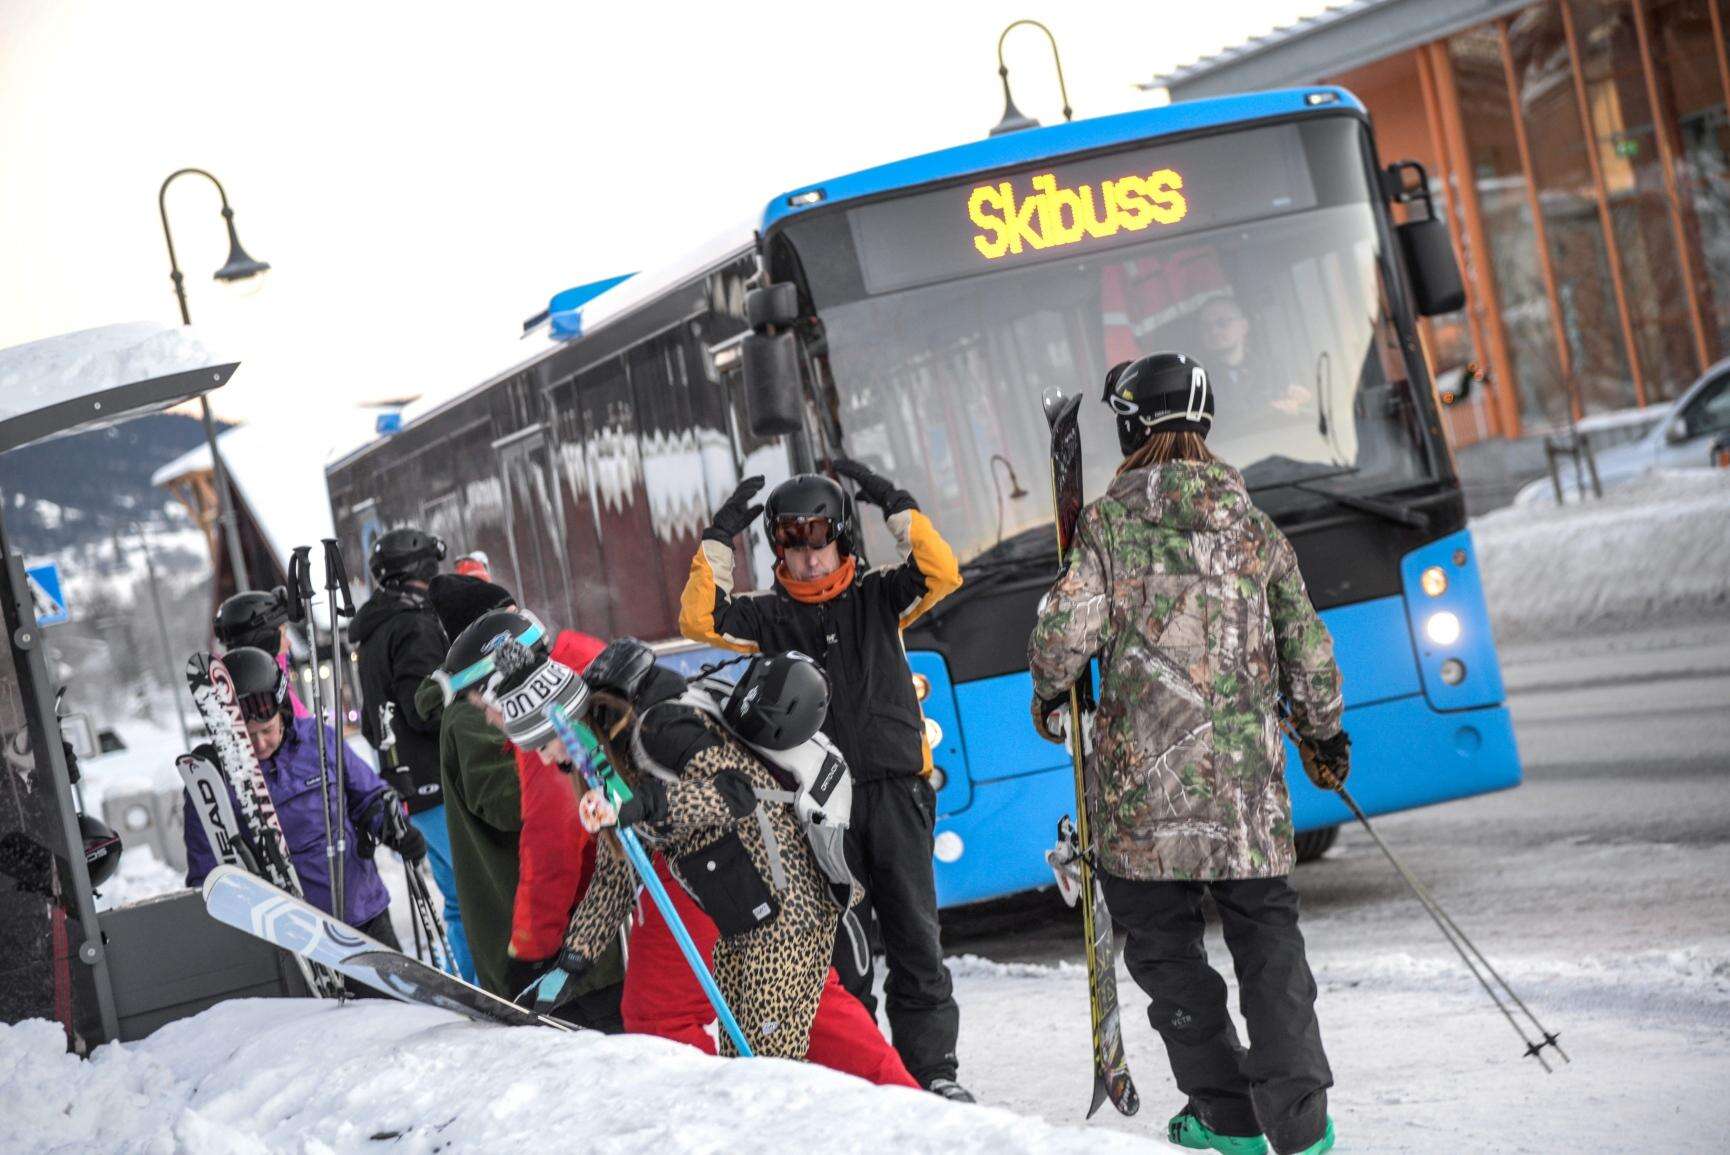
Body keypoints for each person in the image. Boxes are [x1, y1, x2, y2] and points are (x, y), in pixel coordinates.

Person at [1028, 351, 1347, 1155]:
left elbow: (1059, 643)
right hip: (1246, 799)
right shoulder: (1253, 526)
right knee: (1270, 947)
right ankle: (1303, 1129)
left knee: (1169, 954)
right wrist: (1323, 735)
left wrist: (1050, 692)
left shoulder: (1108, 526)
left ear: (1130, 427)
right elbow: (1309, 650)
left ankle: (1226, 1118)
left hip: (1142, 804)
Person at [679, 461, 969, 1100]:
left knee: (916, 943)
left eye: (821, 544)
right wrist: (719, 539)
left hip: (897, 794)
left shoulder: (880, 596)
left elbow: (941, 572)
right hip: (819, 811)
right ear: (778, 551)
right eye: (795, 548)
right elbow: (700, 619)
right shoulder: (768, 618)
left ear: (842, 542)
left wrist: (895, 502)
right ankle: (864, 1082)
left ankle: (935, 1075)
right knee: (846, 955)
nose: (810, 561)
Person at [531, 640, 860, 1065]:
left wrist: (645, 804)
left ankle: (901, 1103)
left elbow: (736, 793)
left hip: (785, 911)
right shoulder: (616, 762)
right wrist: (573, 961)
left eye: (542, 744)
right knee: (748, 1064)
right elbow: (617, 870)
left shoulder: (664, 729)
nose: (542, 759)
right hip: (741, 919)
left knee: (770, 1068)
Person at [416, 588, 626, 1030]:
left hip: (569, 925)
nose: (523, 632)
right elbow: (508, 804)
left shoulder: (501, 700)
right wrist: (560, 765)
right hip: (539, 931)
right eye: (506, 620)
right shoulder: (474, 715)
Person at [182, 646, 425, 952]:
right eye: (247, 736)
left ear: (282, 711)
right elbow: (206, 869)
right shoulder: (215, 781)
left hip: (362, 911)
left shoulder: (319, 739)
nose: (260, 743)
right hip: (290, 935)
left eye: (267, 730)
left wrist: (392, 827)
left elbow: (368, 795)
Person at [352, 527, 475, 981]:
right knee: (473, 893)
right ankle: (480, 985)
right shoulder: (414, 625)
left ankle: (462, 979)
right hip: (438, 782)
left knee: (458, 897)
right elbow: (424, 708)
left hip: (408, 786)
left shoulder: (376, 628)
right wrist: (471, 707)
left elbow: (373, 722)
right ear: (424, 568)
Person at [1197, 295, 1311, 421]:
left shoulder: (1274, 369)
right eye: (1206, 326)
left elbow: (1306, 408)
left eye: (1222, 323)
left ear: (1244, 326)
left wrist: (1299, 402)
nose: (1214, 331)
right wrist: (1267, 409)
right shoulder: (1194, 380)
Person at [214, 588, 310, 720]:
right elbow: (299, 727)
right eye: (283, 635)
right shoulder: (262, 702)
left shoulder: (278, 681)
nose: (289, 643)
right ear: (265, 640)